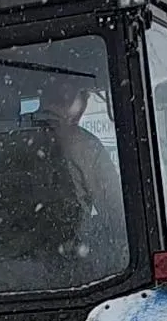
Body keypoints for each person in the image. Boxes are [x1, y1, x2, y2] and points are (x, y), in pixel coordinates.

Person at [32, 75, 125, 268]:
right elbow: (115, 211)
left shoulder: (11, 138)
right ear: (77, 104)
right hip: (68, 258)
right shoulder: (85, 146)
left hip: (12, 260)